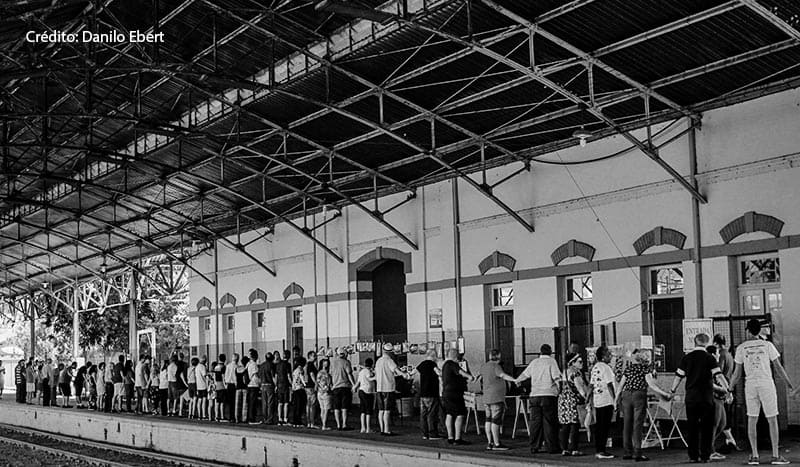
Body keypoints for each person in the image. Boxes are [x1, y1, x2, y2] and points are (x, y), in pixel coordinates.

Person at [729, 319, 797, 466]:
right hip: (767, 383)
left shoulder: (741, 348)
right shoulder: (768, 345)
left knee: (752, 419)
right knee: (772, 419)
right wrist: (789, 385)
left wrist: (729, 389)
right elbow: (778, 367)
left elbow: (736, 374)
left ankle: (754, 456)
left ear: (747, 330)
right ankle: (776, 455)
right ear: (759, 331)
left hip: (750, 385)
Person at [669, 334, 729, 463]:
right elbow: (718, 376)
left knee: (692, 427)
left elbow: (678, 377)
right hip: (706, 397)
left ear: (694, 343)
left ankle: (693, 456)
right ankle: (705, 455)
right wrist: (728, 389)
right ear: (707, 343)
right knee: (707, 427)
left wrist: (672, 390)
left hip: (691, 397)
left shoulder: (687, 358)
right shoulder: (710, 358)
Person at [616, 350, 671, 462]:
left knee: (627, 423)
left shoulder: (628, 369)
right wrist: (664, 394)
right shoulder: (645, 369)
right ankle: (637, 452)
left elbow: (620, 386)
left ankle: (627, 451)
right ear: (645, 360)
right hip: (639, 395)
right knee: (637, 424)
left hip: (626, 396)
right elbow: (652, 385)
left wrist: (615, 400)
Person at [515, 344, 561, 454]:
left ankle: (534, 446)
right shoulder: (552, 362)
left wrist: (517, 381)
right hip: (548, 395)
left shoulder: (534, 362)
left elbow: (524, 375)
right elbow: (556, 377)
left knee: (535, 423)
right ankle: (552, 447)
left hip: (534, 396)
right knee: (549, 422)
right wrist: (560, 390)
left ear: (540, 352)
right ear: (550, 352)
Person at [477, 349, 516, 451]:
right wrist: (514, 380)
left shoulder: (484, 366)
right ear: (498, 357)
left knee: (488, 420)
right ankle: (497, 444)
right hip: (496, 397)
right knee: (496, 421)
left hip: (486, 398)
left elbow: (479, 378)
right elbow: (502, 375)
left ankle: (490, 442)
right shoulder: (496, 366)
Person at [713, 334, 739, 453]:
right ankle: (730, 440)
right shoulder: (729, 355)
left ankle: (729, 439)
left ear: (716, 343)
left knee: (720, 417)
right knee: (725, 415)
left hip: (721, 388)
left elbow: (719, 373)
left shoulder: (721, 355)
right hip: (729, 384)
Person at [442, 348, 474, 446]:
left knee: (449, 414)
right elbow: (460, 372)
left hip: (446, 393)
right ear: (456, 356)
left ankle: (450, 437)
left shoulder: (445, 365)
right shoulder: (452, 364)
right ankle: (458, 438)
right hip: (455, 393)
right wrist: (470, 377)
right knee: (460, 414)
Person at [558, 352, 587, 457]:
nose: (582, 363)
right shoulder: (576, 373)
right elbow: (580, 388)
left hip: (563, 400)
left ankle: (564, 448)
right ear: (572, 363)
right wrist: (586, 398)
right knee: (574, 425)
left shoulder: (565, 372)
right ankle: (574, 449)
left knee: (565, 426)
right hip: (573, 401)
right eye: (579, 361)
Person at [590, 345, 616, 460]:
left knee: (599, 425)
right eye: (608, 354)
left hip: (597, 400)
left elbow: (591, 385)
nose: (610, 356)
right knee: (604, 426)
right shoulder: (606, 368)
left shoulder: (595, 367)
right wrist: (615, 400)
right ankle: (602, 450)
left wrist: (588, 398)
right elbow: (610, 385)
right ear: (603, 356)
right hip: (606, 399)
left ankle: (598, 449)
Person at [707, 345, 732, 461]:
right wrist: (724, 390)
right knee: (715, 424)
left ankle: (708, 446)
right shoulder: (708, 366)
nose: (719, 355)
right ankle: (709, 450)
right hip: (713, 398)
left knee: (722, 424)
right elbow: (711, 383)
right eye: (717, 353)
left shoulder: (715, 365)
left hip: (720, 398)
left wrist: (727, 392)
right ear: (713, 354)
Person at [375, 343, 407, 436]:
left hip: (379, 388)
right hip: (388, 388)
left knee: (381, 411)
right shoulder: (389, 360)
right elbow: (396, 370)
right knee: (387, 410)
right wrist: (404, 374)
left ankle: (382, 429)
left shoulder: (378, 361)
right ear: (389, 352)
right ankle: (387, 430)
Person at [416, 349, 443, 441]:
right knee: (432, 414)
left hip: (423, 393)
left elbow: (413, 373)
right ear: (434, 356)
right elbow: (438, 372)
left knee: (423, 414)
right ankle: (433, 434)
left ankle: (425, 434)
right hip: (432, 392)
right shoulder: (433, 364)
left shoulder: (422, 364)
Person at [330, 347, 355, 430]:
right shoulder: (346, 362)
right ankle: (344, 424)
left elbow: (330, 374)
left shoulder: (333, 363)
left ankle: (338, 425)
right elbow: (349, 374)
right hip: (345, 386)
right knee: (344, 407)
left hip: (335, 387)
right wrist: (354, 384)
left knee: (336, 407)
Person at [353, 357, 376, 434]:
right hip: (367, 392)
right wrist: (376, 377)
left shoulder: (361, 371)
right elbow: (370, 378)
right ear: (372, 364)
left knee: (363, 411)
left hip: (361, 391)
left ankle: (363, 428)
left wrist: (354, 388)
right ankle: (368, 428)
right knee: (368, 411)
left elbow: (358, 382)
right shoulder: (367, 371)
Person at [275, 350, 292, 425]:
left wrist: (276, 385)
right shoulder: (288, 364)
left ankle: (279, 418)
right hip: (285, 384)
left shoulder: (278, 364)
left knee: (280, 403)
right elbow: (288, 375)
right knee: (286, 403)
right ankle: (285, 418)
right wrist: (292, 384)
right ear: (289, 356)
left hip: (279, 385)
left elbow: (276, 375)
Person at [258, 352, 276, 425]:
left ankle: (264, 418)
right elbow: (273, 376)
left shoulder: (262, 365)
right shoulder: (272, 365)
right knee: (270, 403)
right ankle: (269, 419)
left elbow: (259, 376)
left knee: (264, 403)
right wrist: (276, 385)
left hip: (263, 385)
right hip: (269, 385)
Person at [316, 358, 333, 430]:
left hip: (319, 392)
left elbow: (317, 382)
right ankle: (324, 425)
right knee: (326, 409)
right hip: (326, 392)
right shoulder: (327, 374)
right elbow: (329, 384)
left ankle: (323, 423)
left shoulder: (319, 373)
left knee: (322, 409)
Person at [290, 357, 307, 427]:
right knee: (300, 406)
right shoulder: (301, 369)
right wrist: (305, 384)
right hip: (300, 388)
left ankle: (295, 421)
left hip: (295, 389)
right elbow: (302, 378)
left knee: (295, 406)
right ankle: (298, 421)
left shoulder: (295, 370)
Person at [246, 349, 261, 425]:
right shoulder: (254, 364)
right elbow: (256, 374)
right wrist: (260, 382)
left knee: (250, 402)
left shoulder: (248, 364)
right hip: (254, 384)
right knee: (253, 402)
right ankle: (252, 418)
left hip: (249, 384)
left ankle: (249, 417)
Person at [305, 351, 318, 428]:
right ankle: (312, 422)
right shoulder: (310, 365)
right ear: (309, 356)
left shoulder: (307, 365)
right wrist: (316, 383)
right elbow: (312, 374)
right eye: (314, 356)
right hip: (311, 386)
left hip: (307, 386)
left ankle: (309, 422)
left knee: (308, 404)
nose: (315, 357)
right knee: (312, 405)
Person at [224, 353, 239, 422]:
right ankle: (234, 417)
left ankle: (229, 416)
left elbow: (226, 375)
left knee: (229, 402)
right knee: (234, 402)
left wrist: (226, 383)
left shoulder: (228, 366)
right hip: (234, 385)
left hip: (228, 384)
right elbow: (236, 377)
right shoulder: (237, 366)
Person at [234, 356, 250, 423]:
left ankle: (237, 418)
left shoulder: (237, 369)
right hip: (244, 387)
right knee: (244, 404)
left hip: (238, 387)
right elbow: (245, 379)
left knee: (237, 404)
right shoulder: (245, 370)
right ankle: (244, 418)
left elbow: (235, 378)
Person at [195, 355, 209, 420]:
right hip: (203, 385)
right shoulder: (203, 367)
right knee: (204, 400)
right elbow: (205, 375)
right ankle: (203, 415)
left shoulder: (197, 367)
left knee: (199, 400)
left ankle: (199, 414)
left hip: (198, 386)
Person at [214, 355, 227, 422]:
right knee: (222, 402)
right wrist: (225, 385)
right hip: (222, 385)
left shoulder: (216, 367)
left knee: (217, 402)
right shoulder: (223, 367)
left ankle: (216, 416)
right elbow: (223, 376)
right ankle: (222, 416)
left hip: (217, 385)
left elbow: (214, 376)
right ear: (224, 359)